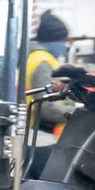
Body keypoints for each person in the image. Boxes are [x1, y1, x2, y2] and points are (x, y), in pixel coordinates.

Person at [24, 12, 79, 172]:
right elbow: (47, 108)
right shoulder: (43, 62)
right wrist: (76, 112)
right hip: (40, 137)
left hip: (31, 133)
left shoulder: (33, 56)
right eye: (63, 41)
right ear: (53, 39)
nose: (64, 45)